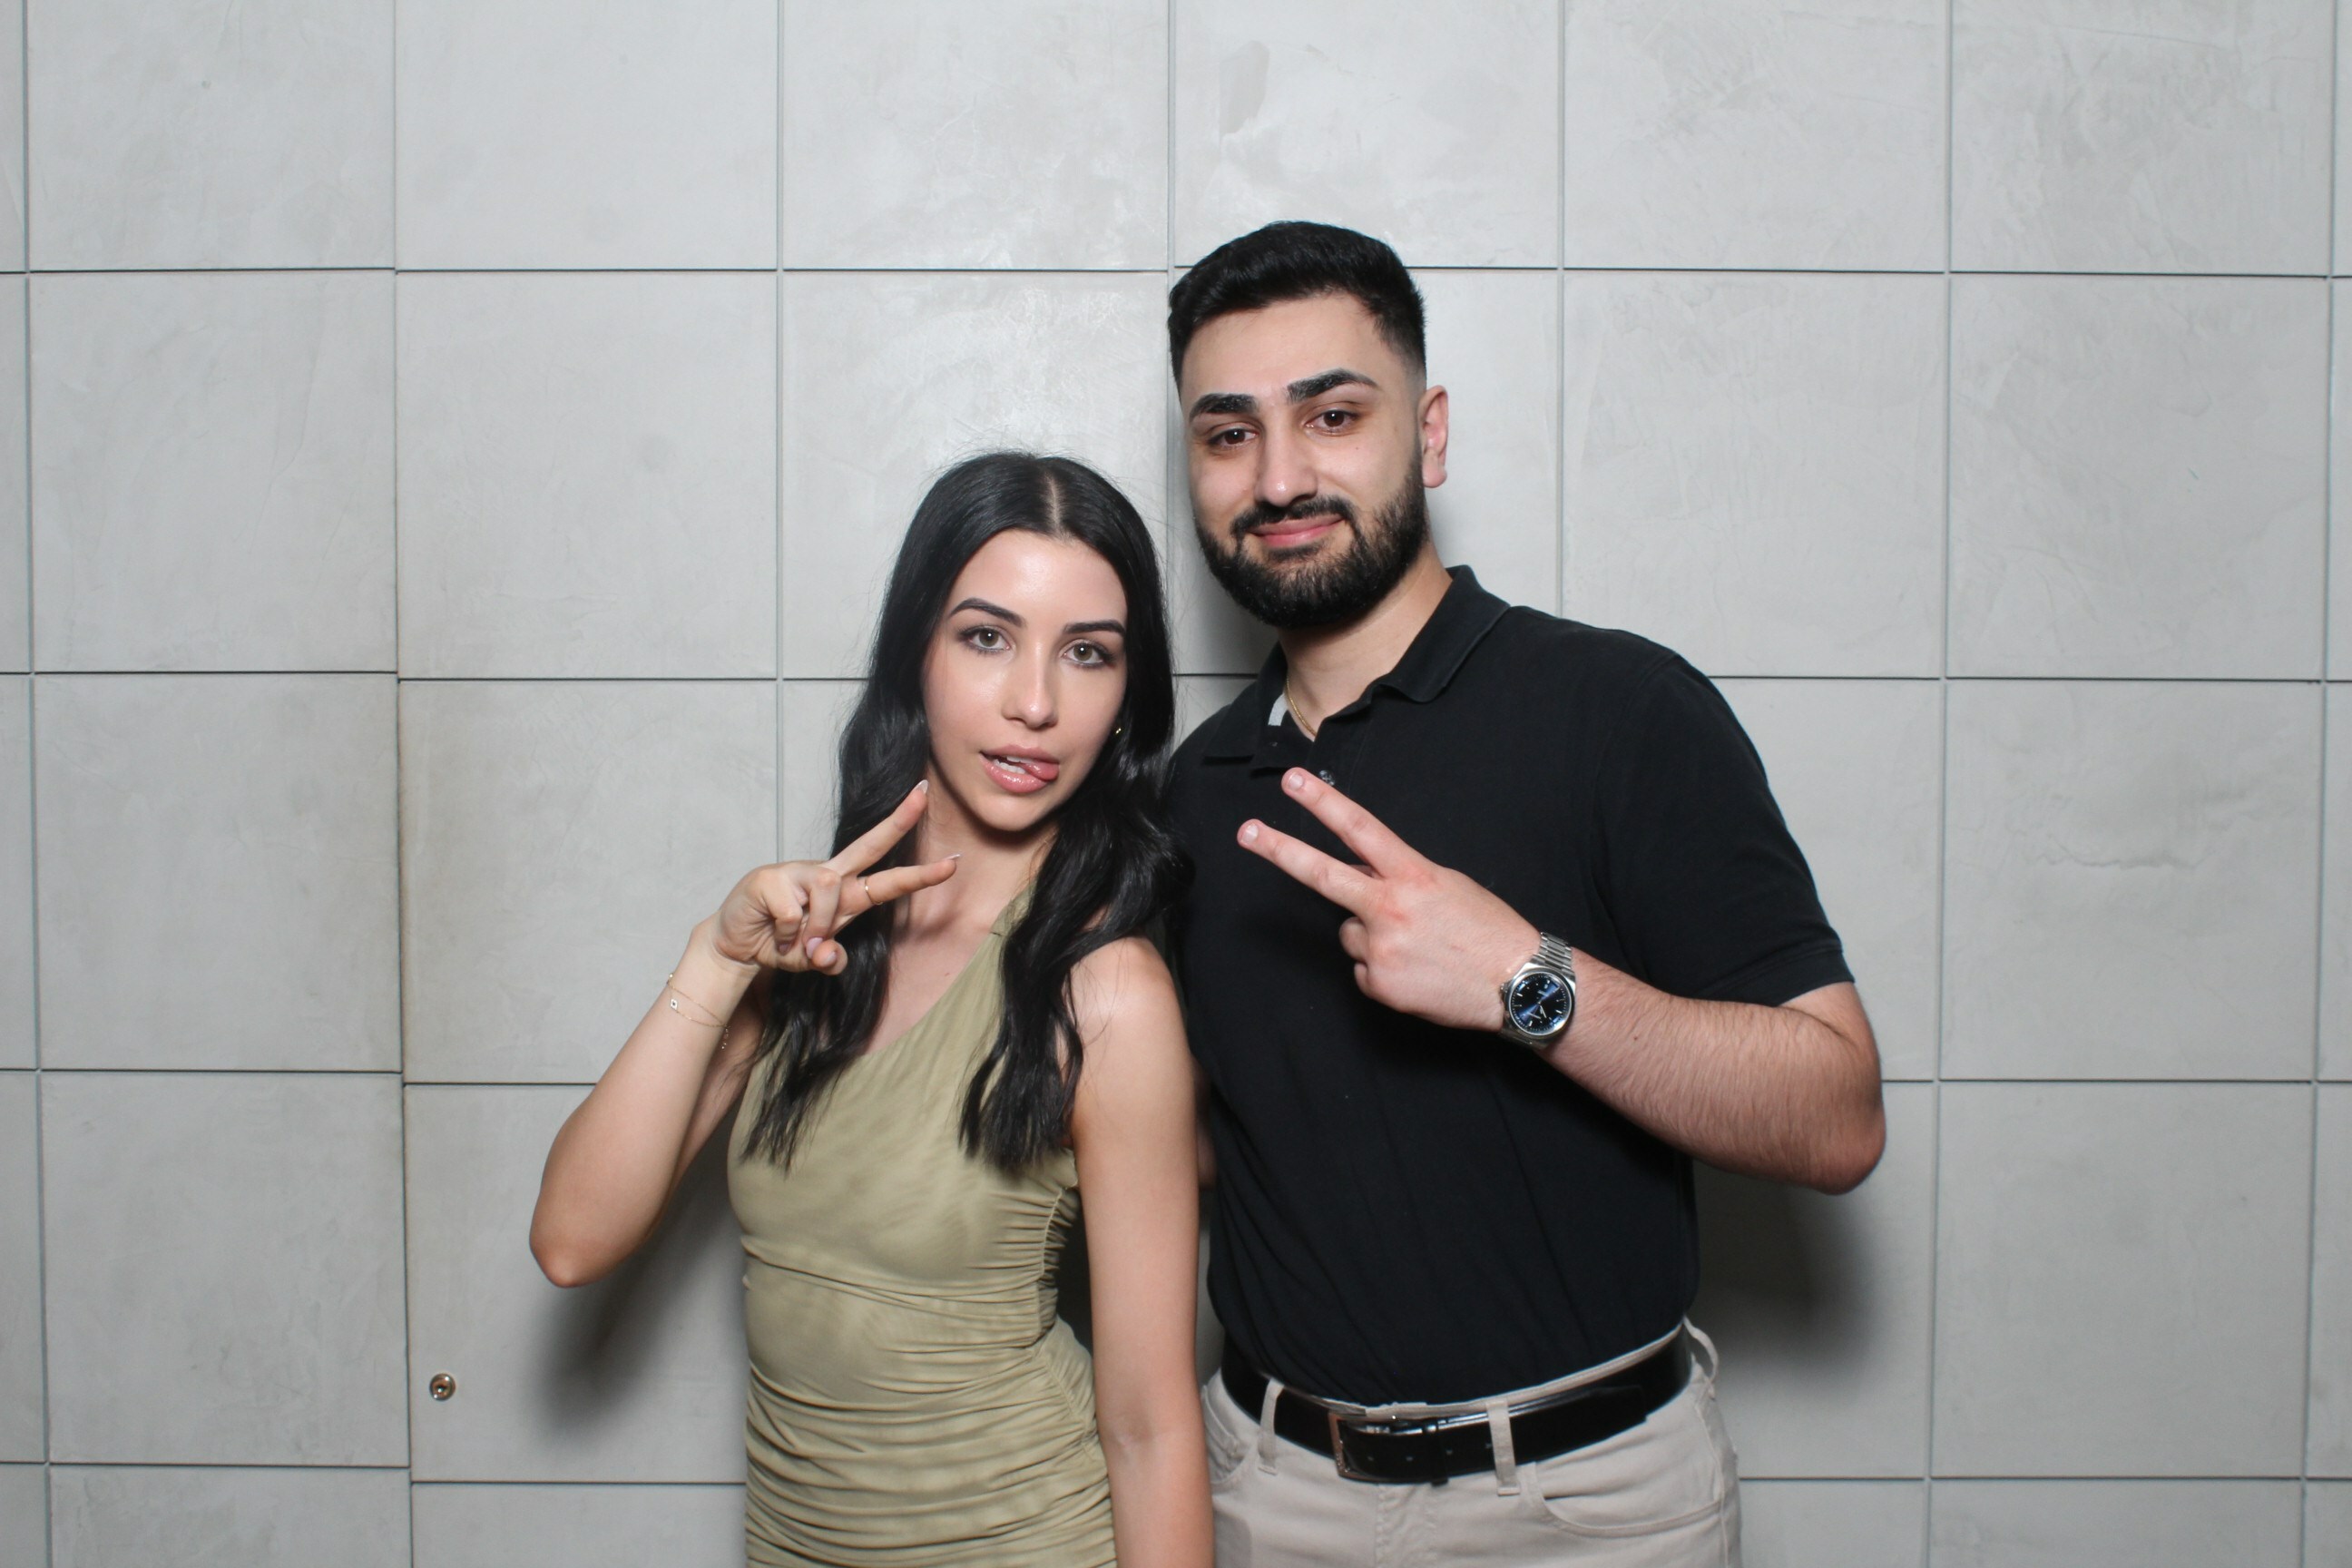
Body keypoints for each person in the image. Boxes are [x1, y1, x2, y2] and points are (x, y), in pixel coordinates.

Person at [1161, 222, 1886, 1566]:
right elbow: (1204, 1140)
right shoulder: (1193, 794)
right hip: (1273, 1493)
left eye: (1333, 416)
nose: (1280, 476)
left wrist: (1520, 979)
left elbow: (1835, 1116)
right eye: (1228, 434)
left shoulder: (1618, 711)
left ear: (1429, 434)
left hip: (1590, 1511)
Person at [530, 452, 1214, 1568]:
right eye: (986, 637)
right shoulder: (810, 945)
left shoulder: (1108, 991)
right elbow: (571, 1239)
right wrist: (717, 961)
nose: (1035, 704)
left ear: (1127, 695)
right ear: (916, 653)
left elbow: (1149, 1427)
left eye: (1087, 653)